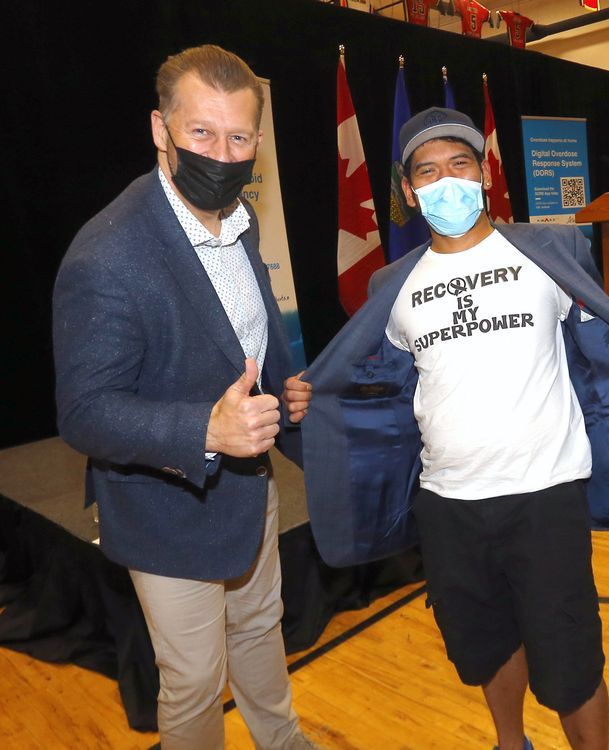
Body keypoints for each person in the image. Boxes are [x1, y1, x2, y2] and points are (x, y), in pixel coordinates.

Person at [295, 107, 609, 750]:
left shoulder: (554, 251)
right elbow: (383, 392)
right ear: (408, 191)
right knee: (485, 644)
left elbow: (608, 343)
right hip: (448, 502)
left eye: (459, 165)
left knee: (571, 661)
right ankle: (510, 743)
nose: (446, 182)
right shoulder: (390, 285)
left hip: (545, 494)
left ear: (483, 171)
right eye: (427, 173)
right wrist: (313, 398)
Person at [52, 45, 315, 749]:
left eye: (238, 137)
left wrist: (282, 396)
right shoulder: (107, 254)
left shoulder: (240, 219)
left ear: (257, 141)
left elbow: (244, 343)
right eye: (201, 133)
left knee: (262, 626)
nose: (221, 154)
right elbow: (83, 411)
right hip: (164, 505)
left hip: (248, 487)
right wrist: (207, 428)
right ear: (160, 130)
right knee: (195, 679)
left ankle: (282, 740)